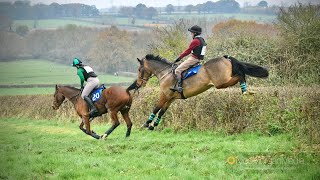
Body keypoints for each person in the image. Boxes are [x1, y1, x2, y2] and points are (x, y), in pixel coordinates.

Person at [170, 25, 207, 93]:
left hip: (193, 59)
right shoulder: (202, 39)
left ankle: (179, 87)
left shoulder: (195, 41)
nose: (191, 34)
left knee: (177, 70)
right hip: (198, 59)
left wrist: (179, 58)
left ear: (195, 33)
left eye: (192, 33)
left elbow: (188, 51)